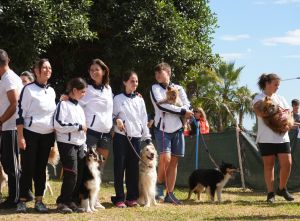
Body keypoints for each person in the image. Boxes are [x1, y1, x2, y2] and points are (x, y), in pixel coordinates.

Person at [16, 58, 56, 213]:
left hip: (47, 136)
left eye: (50, 68)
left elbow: (54, 113)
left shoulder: (52, 91)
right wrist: (21, 136)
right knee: (28, 168)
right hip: (30, 134)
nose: (47, 70)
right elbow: (20, 114)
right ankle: (22, 201)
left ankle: (39, 201)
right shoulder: (28, 89)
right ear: (36, 71)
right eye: (44, 67)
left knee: (40, 169)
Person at [150, 62, 193, 204]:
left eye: (160, 72)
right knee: (165, 159)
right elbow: (161, 106)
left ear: (168, 73)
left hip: (178, 129)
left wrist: (185, 109)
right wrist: (182, 111)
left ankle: (170, 194)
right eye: (156, 73)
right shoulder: (154, 88)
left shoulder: (179, 88)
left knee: (174, 162)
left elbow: (187, 104)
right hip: (162, 128)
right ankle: (158, 184)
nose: (157, 75)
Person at [111, 70, 151, 208]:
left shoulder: (140, 100)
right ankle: (119, 198)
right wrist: (117, 120)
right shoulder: (117, 98)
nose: (135, 83)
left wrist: (147, 138)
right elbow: (112, 115)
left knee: (133, 169)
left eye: (136, 81)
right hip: (121, 138)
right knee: (119, 168)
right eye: (132, 81)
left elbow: (144, 119)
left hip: (136, 138)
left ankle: (131, 198)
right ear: (125, 82)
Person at [253, 73, 294, 203]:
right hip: (265, 138)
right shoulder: (258, 98)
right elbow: (261, 111)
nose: (277, 87)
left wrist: (287, 120)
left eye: (278, 85)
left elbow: (288, 113)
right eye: (276, 84)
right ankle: (270, 193)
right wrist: (276, 112)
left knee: (287, 164)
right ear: (267, 84)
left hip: (282, 137)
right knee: (269, 165)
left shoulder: (281, 98)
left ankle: (282, 189)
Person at [54, 78, 87, 213]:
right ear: (74, 90)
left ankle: (71, 200)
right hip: (66, 144)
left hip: (80, 145)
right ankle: (62, 202)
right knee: (71, 173)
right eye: (82, 91)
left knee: (79, 174)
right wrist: (78, 127)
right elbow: (58, 125)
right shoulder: (63, 104)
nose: (84, 94)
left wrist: (84, 145)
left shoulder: (79, 107)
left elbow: (84, 130)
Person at [79, 59, 113, 168]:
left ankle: (96, 186)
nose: (93, 72)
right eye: (91, 70)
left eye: (96, 69)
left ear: (103, 71)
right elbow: (77, 106)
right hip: (91, 133)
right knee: (89, 167)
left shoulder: (108, 89)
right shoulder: (87, 88)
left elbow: (112, 109)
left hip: (106, 134)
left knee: (99, 168)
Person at [0, 49, 23, 209]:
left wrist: (0, 121)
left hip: (11, 127)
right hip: (7, 127)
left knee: (12, 165)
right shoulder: (6, 77)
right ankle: (15, 196)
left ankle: (15, 198)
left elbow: (14, 103)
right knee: (8, 163)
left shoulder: (9, 78)